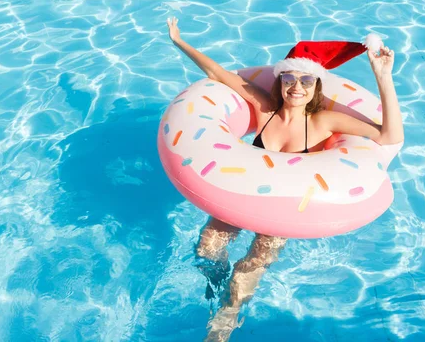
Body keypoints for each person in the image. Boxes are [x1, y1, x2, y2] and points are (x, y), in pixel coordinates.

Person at [166, 17, 404, 341]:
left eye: (306, 80)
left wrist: (383, 76)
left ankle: (221, 328)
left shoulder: (323, 122)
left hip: (283, 209)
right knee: (207, 249)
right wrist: (179, 41)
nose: (296, 87)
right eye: (289, 78)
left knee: (246, 272)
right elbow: (217, 74)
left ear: (316, 85)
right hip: (242, 192)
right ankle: (213, 284)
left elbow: (388, 135)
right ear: (280, 80)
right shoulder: (265, 109)